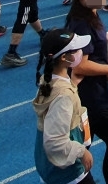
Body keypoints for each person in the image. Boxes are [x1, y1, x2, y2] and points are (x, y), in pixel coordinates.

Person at [65, 0, 108, 184]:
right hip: (92, 96)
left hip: (91, 94)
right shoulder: (82, 23)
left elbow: (92, 42)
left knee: (87, 144)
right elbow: (80, 66)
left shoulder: (90, 13)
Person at [33, 30, 95, 184]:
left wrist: (72, 85)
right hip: (68, 174)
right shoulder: (63, 96)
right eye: (76, 50)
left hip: (48, 166)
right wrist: (82, 152)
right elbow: (55, 141)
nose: (81, 52)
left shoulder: (48, 80)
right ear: (64, 57)